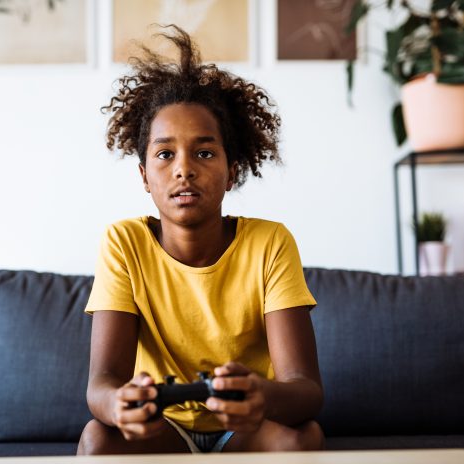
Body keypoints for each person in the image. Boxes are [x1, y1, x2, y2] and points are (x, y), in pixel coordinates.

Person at [78, 25, 323, 455]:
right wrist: (118, 406)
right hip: (163, 431)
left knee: (302, 437)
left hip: (247, 430)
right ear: (144, 177)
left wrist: (261, 396)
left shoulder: (269, 243)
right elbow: (102, 383)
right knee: (97, 438)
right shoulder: (124, 242)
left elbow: (306, 390)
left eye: (205, 152)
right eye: (165, 153)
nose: (184, 169)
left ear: (232, 171)